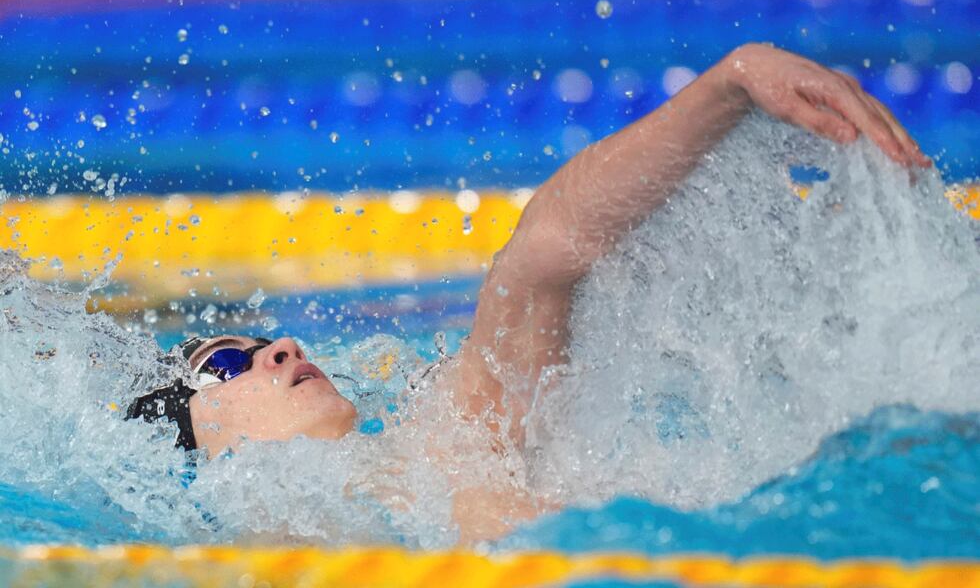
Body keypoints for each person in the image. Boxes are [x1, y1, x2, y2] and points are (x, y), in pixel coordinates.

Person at [127, 43, 931, 542]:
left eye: (259, 344)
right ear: (192, 447)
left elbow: (541, 257)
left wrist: (732, 82)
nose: (281, 347)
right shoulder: (237, 550)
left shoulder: (443, 439)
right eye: (225, 363)